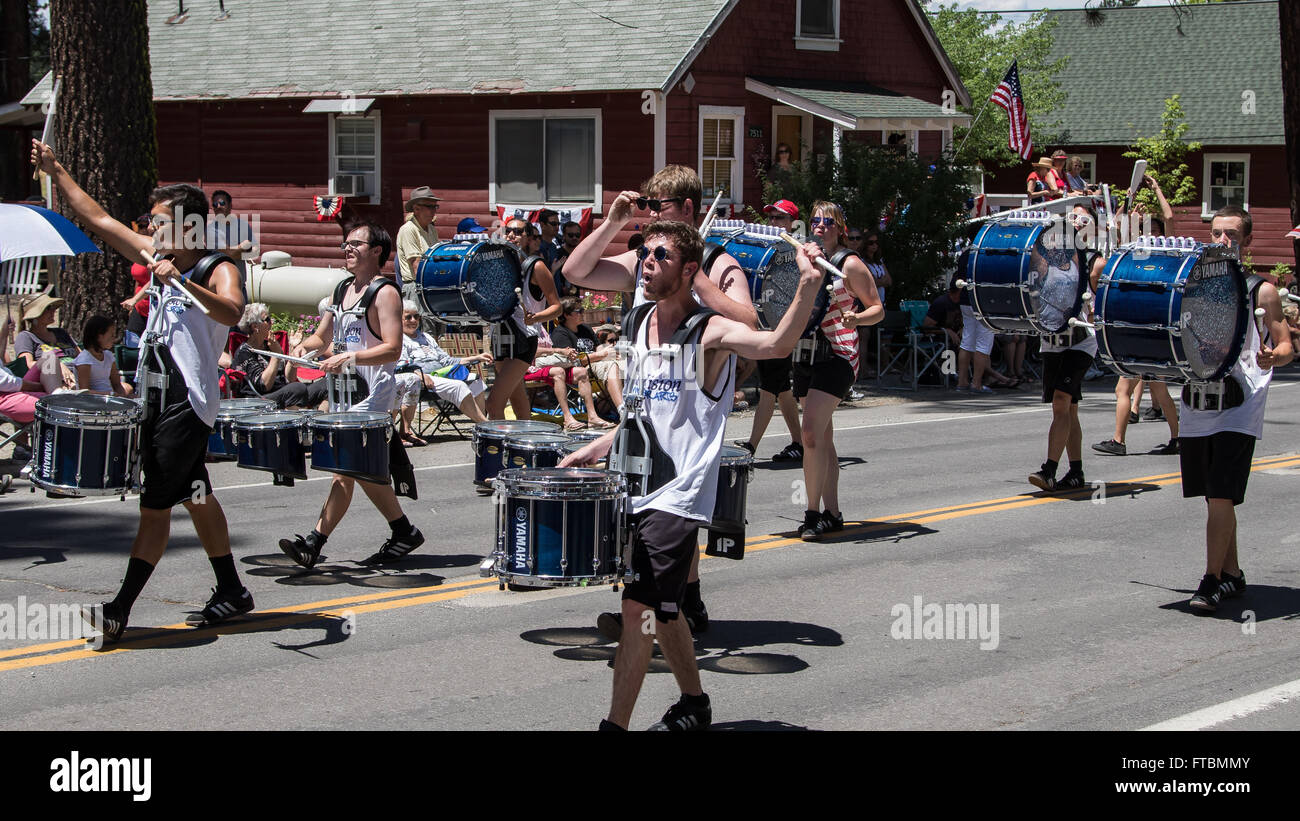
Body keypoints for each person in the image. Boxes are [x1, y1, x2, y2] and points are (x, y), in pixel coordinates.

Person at [560, 220, 827, 731]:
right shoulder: (637, 323)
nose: (647, 261)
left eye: (659, 254)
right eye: (644, 253)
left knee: (637, 605)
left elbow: (773, 344)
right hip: (633, 484)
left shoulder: (709, 332)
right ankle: (695, 702)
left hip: (678, 494)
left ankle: (613, 726)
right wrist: (600, 444)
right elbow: (642, 412)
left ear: (688, 271)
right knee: (665, 609)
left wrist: (808, 286)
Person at [33, 138, 254, 640]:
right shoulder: (157, 255)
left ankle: (119, 609)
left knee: (155, 506)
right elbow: (102, 220)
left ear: (188, 224)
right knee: (196, 495)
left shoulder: (216, 266)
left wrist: (179, 281)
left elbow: (231, 311)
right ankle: (233, 590)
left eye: (158, 219)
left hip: (186, 401)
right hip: (154, 398)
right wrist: (56, 168)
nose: (150, 226)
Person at [563, 166, 760, 632]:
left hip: (689, 400)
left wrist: (700, 285)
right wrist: (612, 222)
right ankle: (666, 606)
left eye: (659, 206)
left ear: (688, 208)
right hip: (643, 393)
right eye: (646, 206)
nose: (648, 215)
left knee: (671, 506)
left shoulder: (716, 262)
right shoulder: (646, 257)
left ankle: (662, 609)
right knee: (639, 503)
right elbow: (575, 271)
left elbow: (751, 323)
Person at [278, 222, 425, 568]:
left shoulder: (385, 293)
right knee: (358, 470)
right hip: (343, 392)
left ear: (376, 251)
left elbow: (392, 348)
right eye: (346, 243)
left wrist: (352, 356)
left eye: (356, 244)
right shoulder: (342, 289)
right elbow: (323, 337)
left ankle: (313, 543)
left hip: (373, 396)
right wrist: (304, 346)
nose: (347, 248)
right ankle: (403, 531)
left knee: (344, 470)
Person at [1182, 205, 1293, 612]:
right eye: (1216, 233)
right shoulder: (1192, 284)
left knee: (1222, 493)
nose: (1222, 241)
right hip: (1199, 398)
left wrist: (1273, 356)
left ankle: (1210, 581)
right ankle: (1233, 574)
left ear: (1245, 241)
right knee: (1214, 498)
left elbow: (1286, 345)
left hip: (1241, 399)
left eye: (1231, 234)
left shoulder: (1259, 289)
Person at [795, 202, 883, 539]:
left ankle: (812, 513)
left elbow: (877, 309)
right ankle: (833, 512)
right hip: (806, 352)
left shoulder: (850, 264)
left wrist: (857, 318)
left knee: (811, 435)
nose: (820, 225)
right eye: (815, 219)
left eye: (827, 221)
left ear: (840, 227)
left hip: (838, 353)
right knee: (823, 440)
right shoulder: (805, 255)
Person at [1028, 204, 1107, 493]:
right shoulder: (1046, 254)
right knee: (1067, 409)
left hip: (1081, 340)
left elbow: (1107, 295)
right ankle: (1076, 472)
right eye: (1071, 216)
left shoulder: (1096, 262)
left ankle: (1049, 470)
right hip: (1052, 339)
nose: (1075, 220)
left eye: (1082, 218)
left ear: (1092, 228)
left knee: (1062, 400)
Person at [737, 198, 803, 462]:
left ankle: (751, 447)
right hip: (767, 324)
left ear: (792, 223)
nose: (774, 223)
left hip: (782, 329)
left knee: (767, 390)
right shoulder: (771, 249)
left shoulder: (797, 253)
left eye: (780, 218)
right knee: (782, 391)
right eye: (772, 218)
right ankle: (799, 443)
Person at [486, 217, 564, 420]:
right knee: (517, 397)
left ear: (528, 238)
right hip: (500, 336)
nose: (511, 235)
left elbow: (557, 307)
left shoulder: (535, 267)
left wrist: (536, 316)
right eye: (508, 231)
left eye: (518, 232)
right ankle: (525, 444)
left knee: (493, 404)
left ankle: (497, 449)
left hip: (523, 339)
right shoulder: (498, 266)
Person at [393, 299, 490, 442]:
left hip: (442, 374)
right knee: (459, 386)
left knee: (475, 380)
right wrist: (420, 374)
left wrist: (477, 357)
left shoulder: (426, 337)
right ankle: (485, 426)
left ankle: (479, 425)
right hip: (424, 379)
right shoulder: (399, 339)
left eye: (416, 317)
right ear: (399, 319)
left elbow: (447, 360)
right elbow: (402, 365)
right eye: (408, 317)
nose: (413, 320)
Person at [535, 297, 618, 430]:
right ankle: (622, 410)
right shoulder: (560, 333)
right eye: (579, 311)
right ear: (566, 315)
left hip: (596, 362)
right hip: (583, 365)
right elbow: (574, 361)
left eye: (583, 310)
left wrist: (607, 351)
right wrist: (599, 355)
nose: (582, 313)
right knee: (612, 367)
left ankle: (596, 414)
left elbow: (598, 347)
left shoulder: (585, 329)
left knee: (624, 366)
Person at [231, 303, 328, 409]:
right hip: (260, 401)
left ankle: (323, 423)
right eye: (267, 319)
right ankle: (298, 422)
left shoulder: (268, 345)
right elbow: (264, 385)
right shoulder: (245, 352)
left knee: (326, 385)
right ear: (255, 327)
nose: (271, 322)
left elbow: (290, 378)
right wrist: (276, 355)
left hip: (283, 393)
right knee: (297, 389)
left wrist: (293, 350)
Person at [73, 315, 133, 397]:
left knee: (129, 389)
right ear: (99, 336)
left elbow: (117, 384)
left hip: (110, 397)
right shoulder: (84, 360)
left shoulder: (109, 356)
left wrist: (123, 396)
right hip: (95, 401)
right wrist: (109, 395)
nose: (114, 338)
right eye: (111, 335)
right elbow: (84, 392)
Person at [395, 186, 441, 287]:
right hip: (416, 286)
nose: (434, 211)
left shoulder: (431, 229)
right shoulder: (408, 229)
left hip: (429, 283)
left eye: (435, 207)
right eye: (430, 207)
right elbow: (416, 265)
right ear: (416, 209)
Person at [205, 190, 259, 277]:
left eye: (222, 203)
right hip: (220, 284)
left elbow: (255, 252)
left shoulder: (243, 225)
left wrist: (234, 252)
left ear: (230, 206)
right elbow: (229, 253)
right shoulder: (211, 230)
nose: (218, 206)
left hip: (241, 283)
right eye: (215, 204)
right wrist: (243, 247)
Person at [122, 214, 156, 349]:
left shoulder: (155, 250)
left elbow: (154, 280)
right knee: (131, 346)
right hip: (139, 308)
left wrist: (135, 299)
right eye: (138, 226)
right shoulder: (138, 252)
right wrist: (134, 303)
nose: (142, 229)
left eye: (144, 226)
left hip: (154, 308)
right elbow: (138, 280)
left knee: (151, 349)